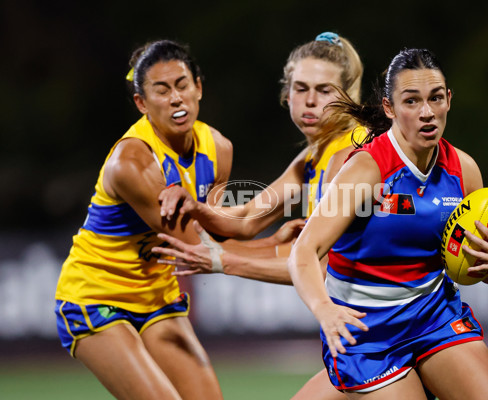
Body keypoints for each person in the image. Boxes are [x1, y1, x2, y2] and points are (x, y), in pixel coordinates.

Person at [287, 48, 488, 399]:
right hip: (367, 335)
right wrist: (323, 308)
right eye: (412, 101)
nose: (427, 112)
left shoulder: (463, 170)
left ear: (448, 100)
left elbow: (480, 267)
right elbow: (303, 252)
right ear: (390, 108)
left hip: (434, 319)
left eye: (435, 98)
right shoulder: (366, 170)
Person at [151, 33, 371, 399]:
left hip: (380, 329)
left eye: (325, 90)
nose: (311, 101)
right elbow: (251, 215)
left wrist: (224, 261)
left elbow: (325, 267)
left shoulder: (346, 158)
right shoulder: (313, 158)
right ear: (287, 94)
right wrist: (196, 206)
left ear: (348, 97)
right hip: (360, 330)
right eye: (301, 89)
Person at [53, 39, 239, 400]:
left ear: (198, 87)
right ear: (142, 103)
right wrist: (287, 251)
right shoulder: (132, 163)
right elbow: (200, 247)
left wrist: (289, 238)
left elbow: (222, 229)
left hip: (157, 299)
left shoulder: (219, 149)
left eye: (182, 85)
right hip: (96, 297)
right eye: (161, 90)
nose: (176, 98)